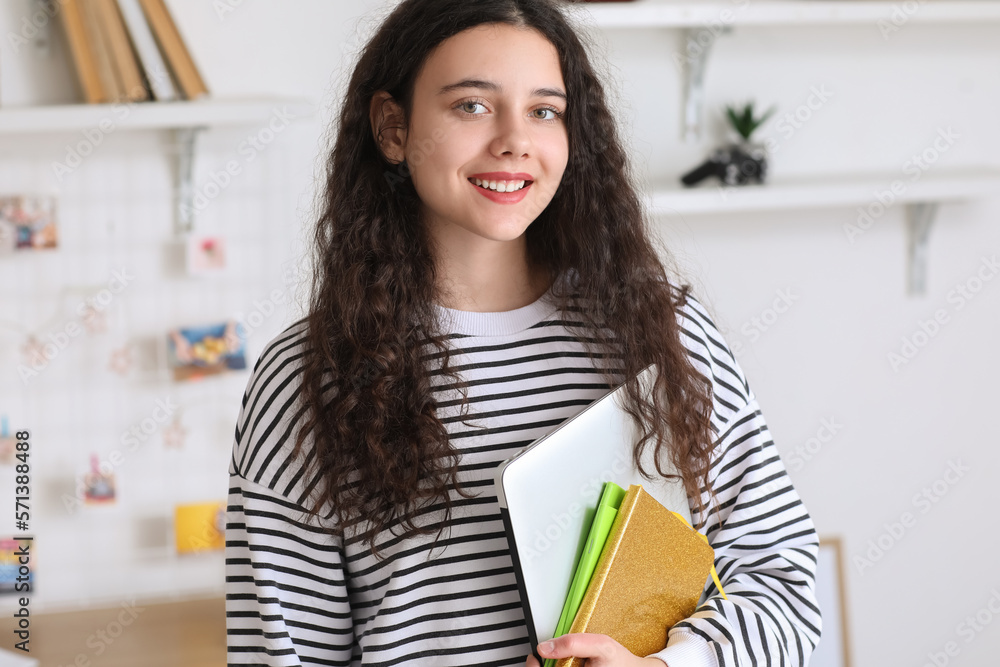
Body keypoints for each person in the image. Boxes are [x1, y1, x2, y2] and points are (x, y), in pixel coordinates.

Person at [224, 0, 822, 665]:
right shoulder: (306, 380)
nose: (515, 140)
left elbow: (787, 592)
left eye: (545, 111)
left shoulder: (666, 335)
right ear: (394, 128)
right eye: (472, 106)